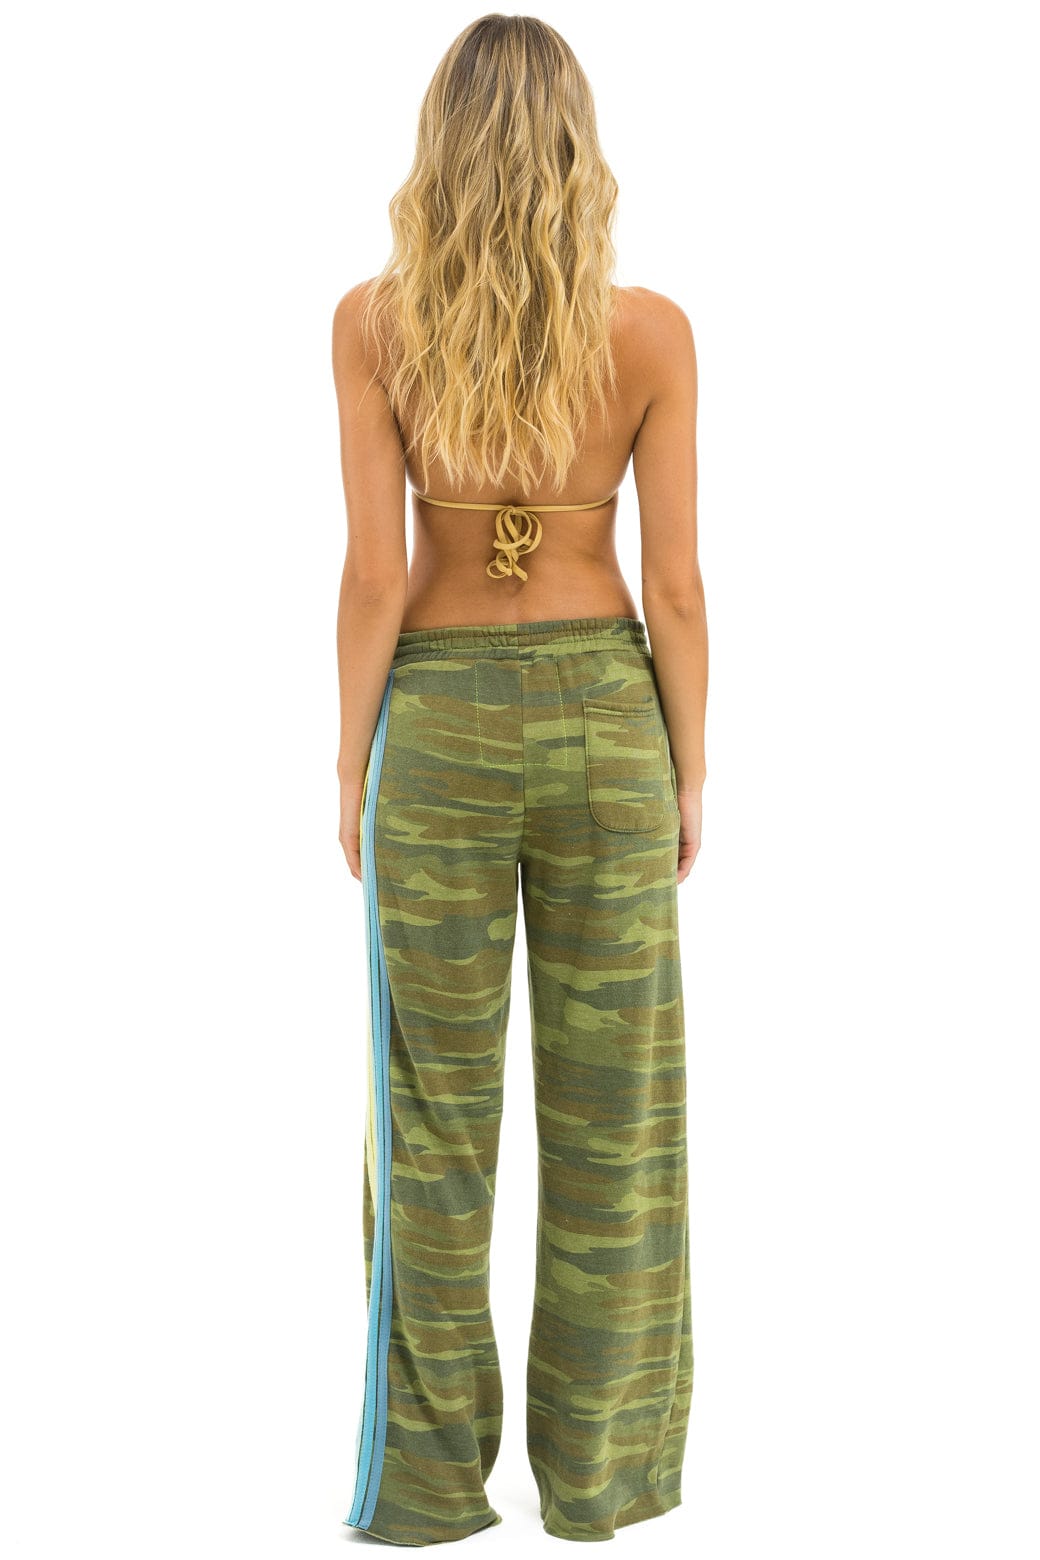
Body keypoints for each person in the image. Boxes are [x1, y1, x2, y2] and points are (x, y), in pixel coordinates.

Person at [331, 14, 707, 1547]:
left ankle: (428, 1491)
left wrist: (346, 763)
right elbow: (673, 587)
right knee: (618, 1120)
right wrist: (691, 769)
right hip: (609, 725)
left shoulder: (373, 326)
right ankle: (597, 1484)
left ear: (439, 148)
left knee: (429, 1116)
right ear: (576, 151)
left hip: (435, 730)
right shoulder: (651, 335)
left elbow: (375, 577)